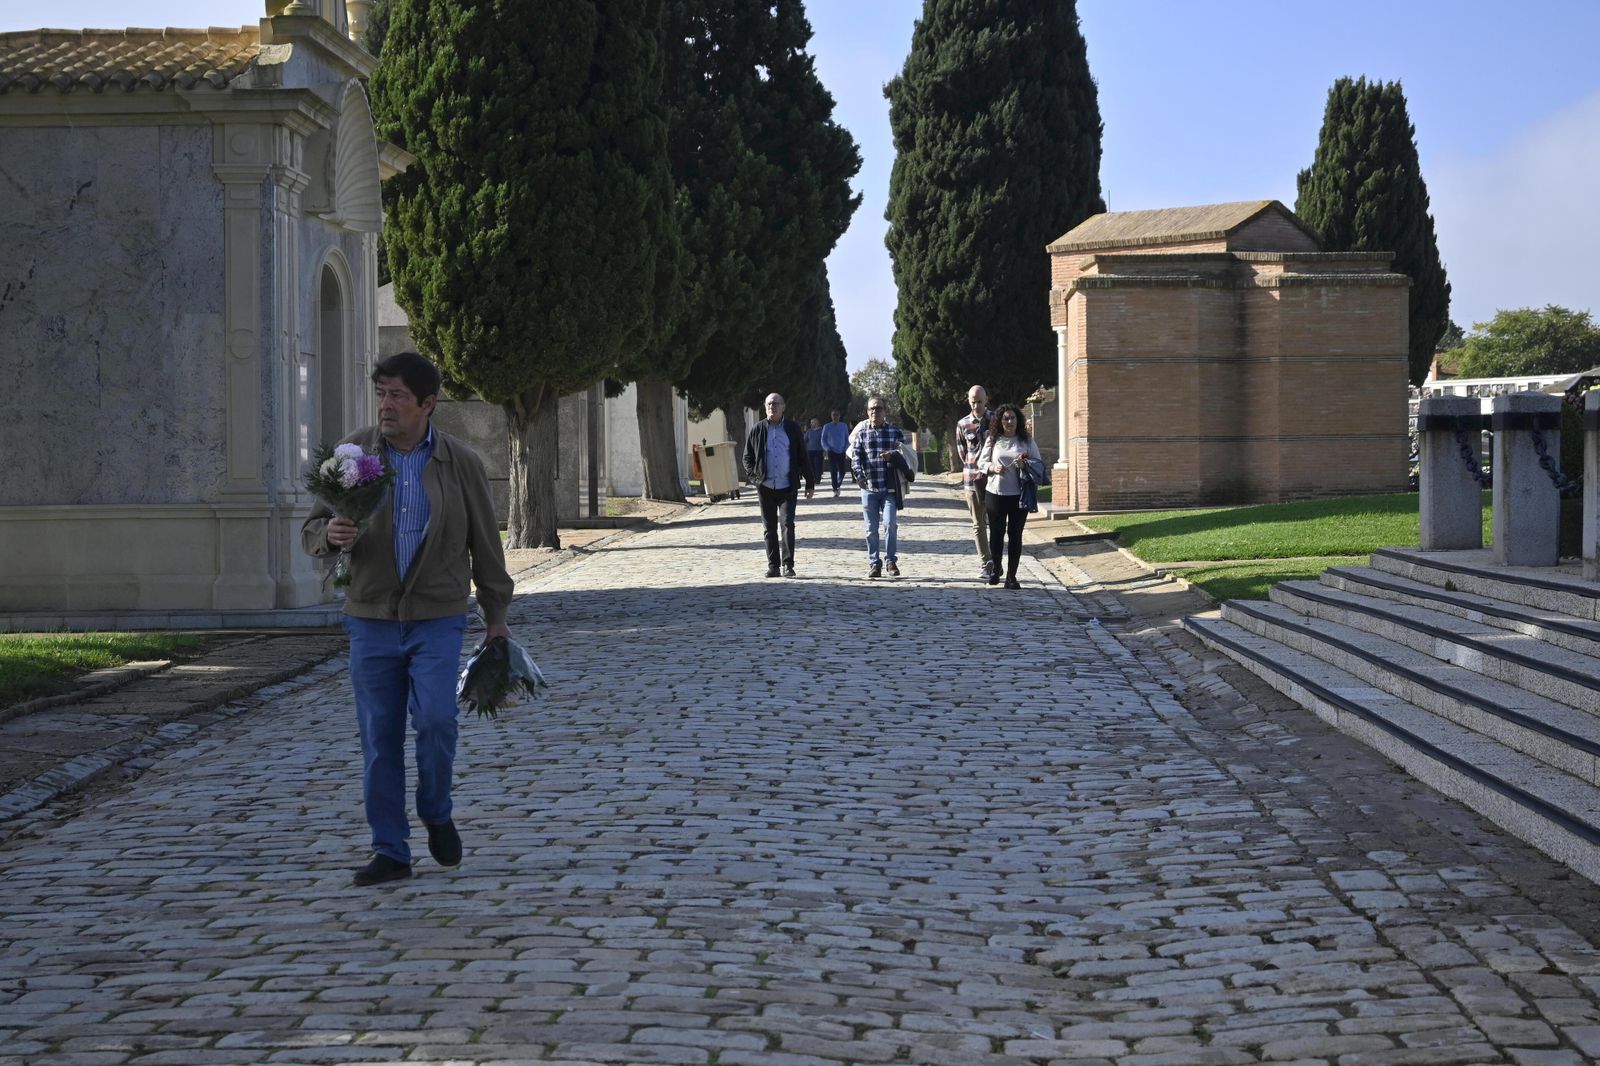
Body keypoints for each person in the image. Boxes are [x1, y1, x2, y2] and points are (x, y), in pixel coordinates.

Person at [301, 351, 514, 887]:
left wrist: (496, 617)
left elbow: (487, 545)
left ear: (427, 403)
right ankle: (391, 850)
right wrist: (330, 536)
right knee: (379, 738)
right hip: (371, 618)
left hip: (437, 617)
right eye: (381, 394)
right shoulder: (353, 454)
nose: (386, 405)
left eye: (397, 395)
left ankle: (436, 810)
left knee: (438, 722)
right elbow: (312, 528)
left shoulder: (459, 462)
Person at [743, 393, 815, 578]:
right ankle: (773, 565)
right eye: (768, 404)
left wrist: (809, 482)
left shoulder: (792, 428)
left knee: (787, 524)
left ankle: (788, 565)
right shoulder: (758, 429)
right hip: (765, 486)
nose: (771, 407)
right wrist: (755, 477)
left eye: (775, 404)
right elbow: (747, 457)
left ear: (783, 407)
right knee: (769, 528)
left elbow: (802, 456)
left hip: (787, 485)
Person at [977, 402, 1043, 590]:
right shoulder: (993, 439)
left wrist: (1026, 464)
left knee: (1015, 535)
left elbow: (1038, 464)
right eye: (1006, 418)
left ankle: (1012, 577)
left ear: (1018, 420)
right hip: (995, 493)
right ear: (1000, 421)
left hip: (1019, 495)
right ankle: (996, 567)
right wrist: (992, 467)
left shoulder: (1027, 441)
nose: (1009, 421)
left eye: (1013, 418)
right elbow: (981, 463)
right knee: (996, 534)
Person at [849, 396, 907, 579]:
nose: (875, 412)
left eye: (879, 408)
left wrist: (892, 455)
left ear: (885, 411)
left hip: (889, 488)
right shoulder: (862, 434)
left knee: (890, 524)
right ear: (867, 412)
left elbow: (904, 454)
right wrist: (859, 475)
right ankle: (874, 563)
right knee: (871, 529)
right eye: (872, 409)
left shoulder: (894, 432)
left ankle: (891, 561)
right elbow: (856, 457)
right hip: (869, 488)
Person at [956, 385, 995, 582]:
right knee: (978, 524)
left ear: (986, 399)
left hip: (995, 480)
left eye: (980, 401)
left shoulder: (996, 420)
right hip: (972, 480)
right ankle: (986, 563)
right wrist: (974, 467)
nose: (977, 405)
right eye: (973, 402)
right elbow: (963, 452)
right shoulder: (962, 424)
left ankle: (997, 561)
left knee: (996, 523)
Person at [820, 409, 851, 497]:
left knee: (842, 471)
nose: (835, 416)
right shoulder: (827, 426)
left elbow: (847, 438)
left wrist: (845, 449)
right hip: (831, 451)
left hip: (841, 451)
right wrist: (827, 448)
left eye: (837, 415)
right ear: (831, 416)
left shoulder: (843, 426)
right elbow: (823, 439)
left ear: (839, 416)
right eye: (834, 415)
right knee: (833, 470)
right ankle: (834, 489)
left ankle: (838, 484)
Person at [803, 417, 825, 490]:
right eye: (811, 422)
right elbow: (804, 440)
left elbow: (824, 440)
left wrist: (825, 450)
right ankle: (813, 478)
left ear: (817, 422)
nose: (812, 423)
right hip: (809, 451)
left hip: (818, 450)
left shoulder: (821, 431)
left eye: (814, 422)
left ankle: (817, 479)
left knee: (817, 465)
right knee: (811, 466)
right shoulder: (809, 431)